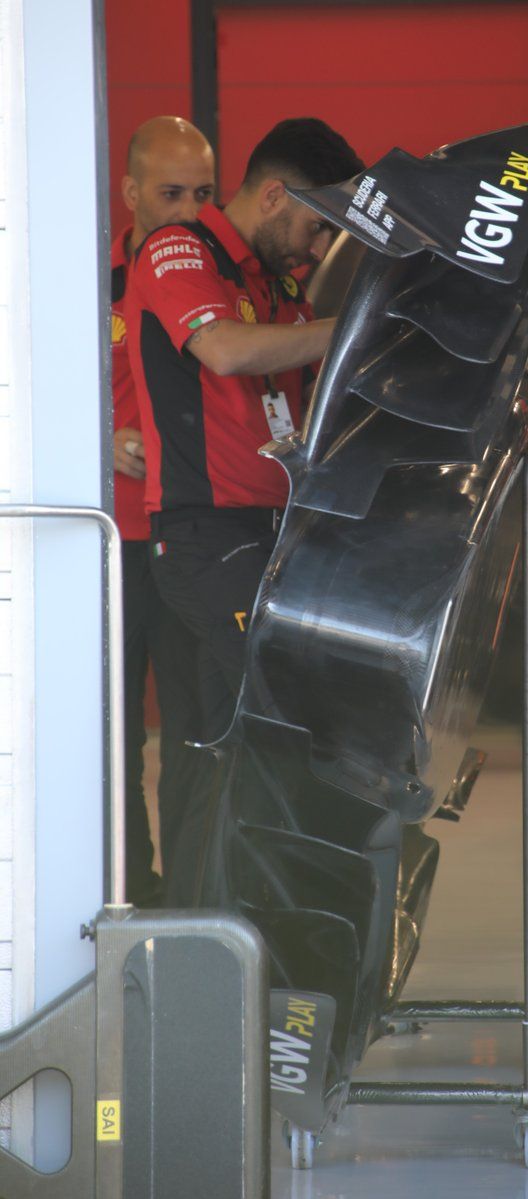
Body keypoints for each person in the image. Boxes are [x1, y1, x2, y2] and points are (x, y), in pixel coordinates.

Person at [126, 117, 363, 745]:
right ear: (275, 196)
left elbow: (317, 393)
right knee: (284, 713)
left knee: (215, 748)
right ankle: (322, 841)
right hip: (206, 532)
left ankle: (228, 847)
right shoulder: (179, 249)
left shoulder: (280, 283)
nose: (317, 252)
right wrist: (358, 327)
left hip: (277, 532)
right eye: (318, 229)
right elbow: (225, 350)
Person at [112, 115, 214, 904]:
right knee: (112, 734)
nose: (186, 211)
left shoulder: (224, 285)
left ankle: (189, 904)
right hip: (108, 543)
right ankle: (123, 890)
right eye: (169, 192)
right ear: (131, 191)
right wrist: (95, 440)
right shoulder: (83, 281)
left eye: (202, 194)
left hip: (191, 538)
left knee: (194, 734)